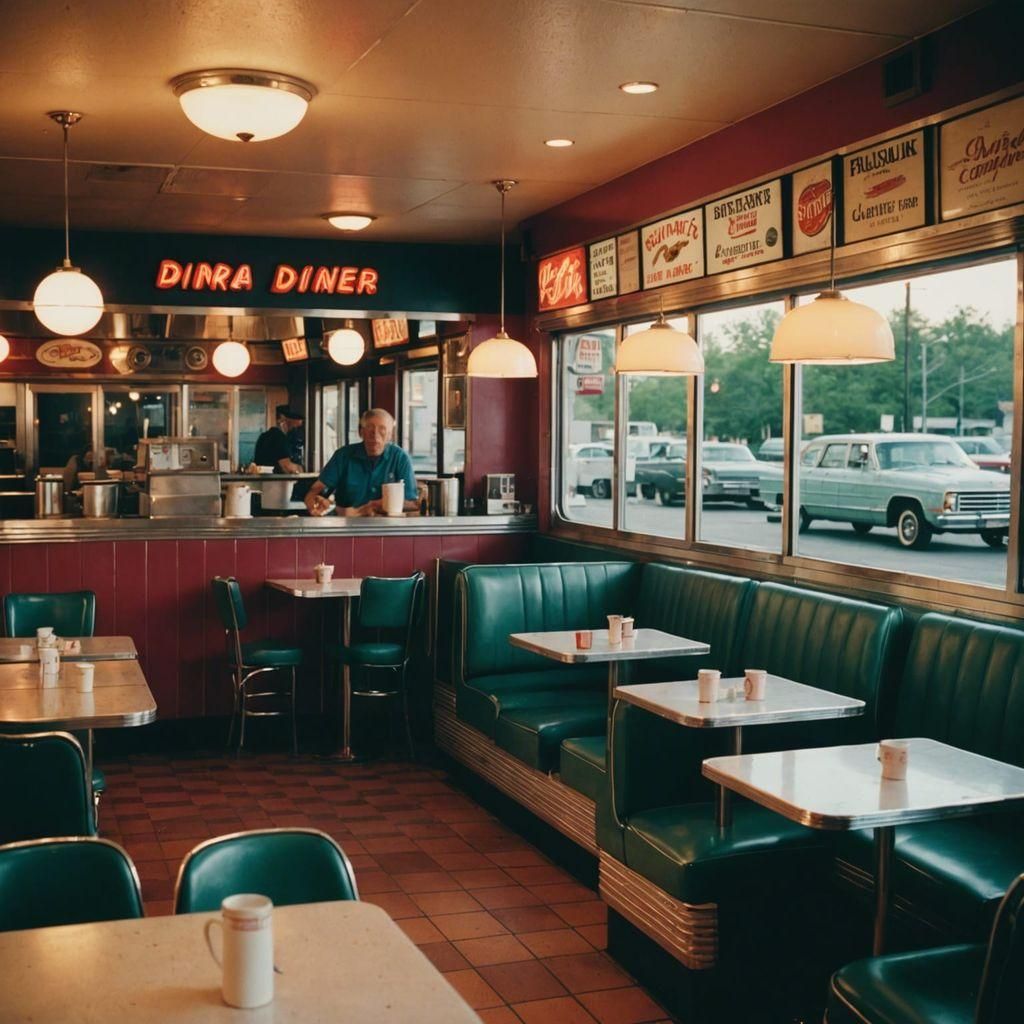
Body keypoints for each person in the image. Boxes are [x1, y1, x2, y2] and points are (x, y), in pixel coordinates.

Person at [305, 408, 418, 517]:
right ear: (361, 432)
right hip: (347, 523)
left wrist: (375, 506)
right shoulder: (343, 455)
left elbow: (411, 503)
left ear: (390, 435)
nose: (375, 435)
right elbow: (314, 492)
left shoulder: (400, 458)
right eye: (370, 428)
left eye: (382, 429)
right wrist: (316, 502)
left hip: (387, 524)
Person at [254, 406, 304, 473]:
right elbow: (287, 467)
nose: (299, 423)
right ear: (282, 418)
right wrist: (300, 468)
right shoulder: (278, 437)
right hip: (274, 479)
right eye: (295, 418)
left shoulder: (264, 436)